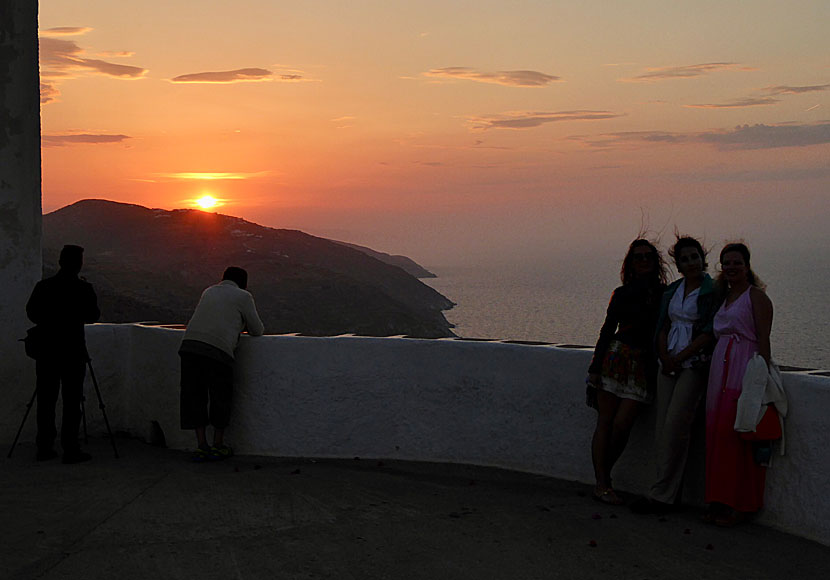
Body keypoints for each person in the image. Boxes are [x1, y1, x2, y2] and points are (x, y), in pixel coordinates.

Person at [630, 236, 718, 514]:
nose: (691, 263)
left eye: (694, 257)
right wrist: (665, 358)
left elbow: (708, 332)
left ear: (702, 259)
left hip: (693, 365)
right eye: (685, 259)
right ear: (677, 264)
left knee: (676, 427)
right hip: (668, 363)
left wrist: (680, 358)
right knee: (662, 430)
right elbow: (663, 325)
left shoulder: (711, 291)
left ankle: (662, 496)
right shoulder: (674, 290)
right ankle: (665, 491)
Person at [587, 239, 667, 504]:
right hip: (616, 358)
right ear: (630, 263)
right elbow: (608, 329)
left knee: (622, 425)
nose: (643, 260)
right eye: (638, 257)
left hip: (642, 364)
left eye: (647, 256)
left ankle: (604, 476)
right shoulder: (621, 293)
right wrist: (595, 366)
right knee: (606, 422)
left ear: (655, 261)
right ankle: (602, 483)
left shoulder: (664, 293)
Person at [703, 242, 773, 527]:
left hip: (744, 367)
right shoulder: (725, 296)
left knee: (739, 439)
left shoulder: (756, 297)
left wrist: (762, 377)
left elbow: (764, 339)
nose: (731, 267)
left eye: (737, 263)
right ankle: (719, 500)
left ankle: (742, 505)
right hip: (720, 370)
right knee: (718, 436)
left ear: (747, 265)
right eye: (727, 263)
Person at [179, 266, 264, 461]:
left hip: (189, 346)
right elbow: (257, 330)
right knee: (220, 396)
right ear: (243, 282)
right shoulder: (244, 296)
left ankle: (201, 446)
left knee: (194, 396)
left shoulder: (208, 291)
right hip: (218, 350)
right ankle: (218, 445)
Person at [26, 244, 100, 464]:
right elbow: (93, 316)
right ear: (78, 264)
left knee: (46, 400)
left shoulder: (44, 286)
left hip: (47, 351)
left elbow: (32, 313)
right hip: (74, 352)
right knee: (72, 401)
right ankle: (71, 449)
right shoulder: (84, 289)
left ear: (60, 261)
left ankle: (45, 447)